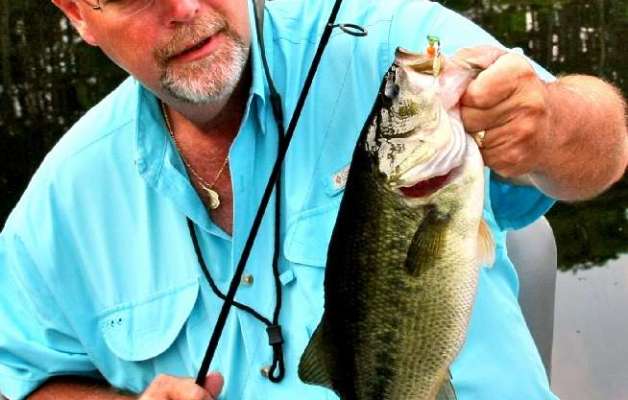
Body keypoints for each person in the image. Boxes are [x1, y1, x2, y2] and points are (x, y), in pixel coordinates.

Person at [0, 0, 626, 399]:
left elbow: (606, 150)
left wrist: (548, 124)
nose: (185, 7)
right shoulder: (60, 206)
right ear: (78, 13)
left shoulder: (393, 38)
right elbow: (29, 379)